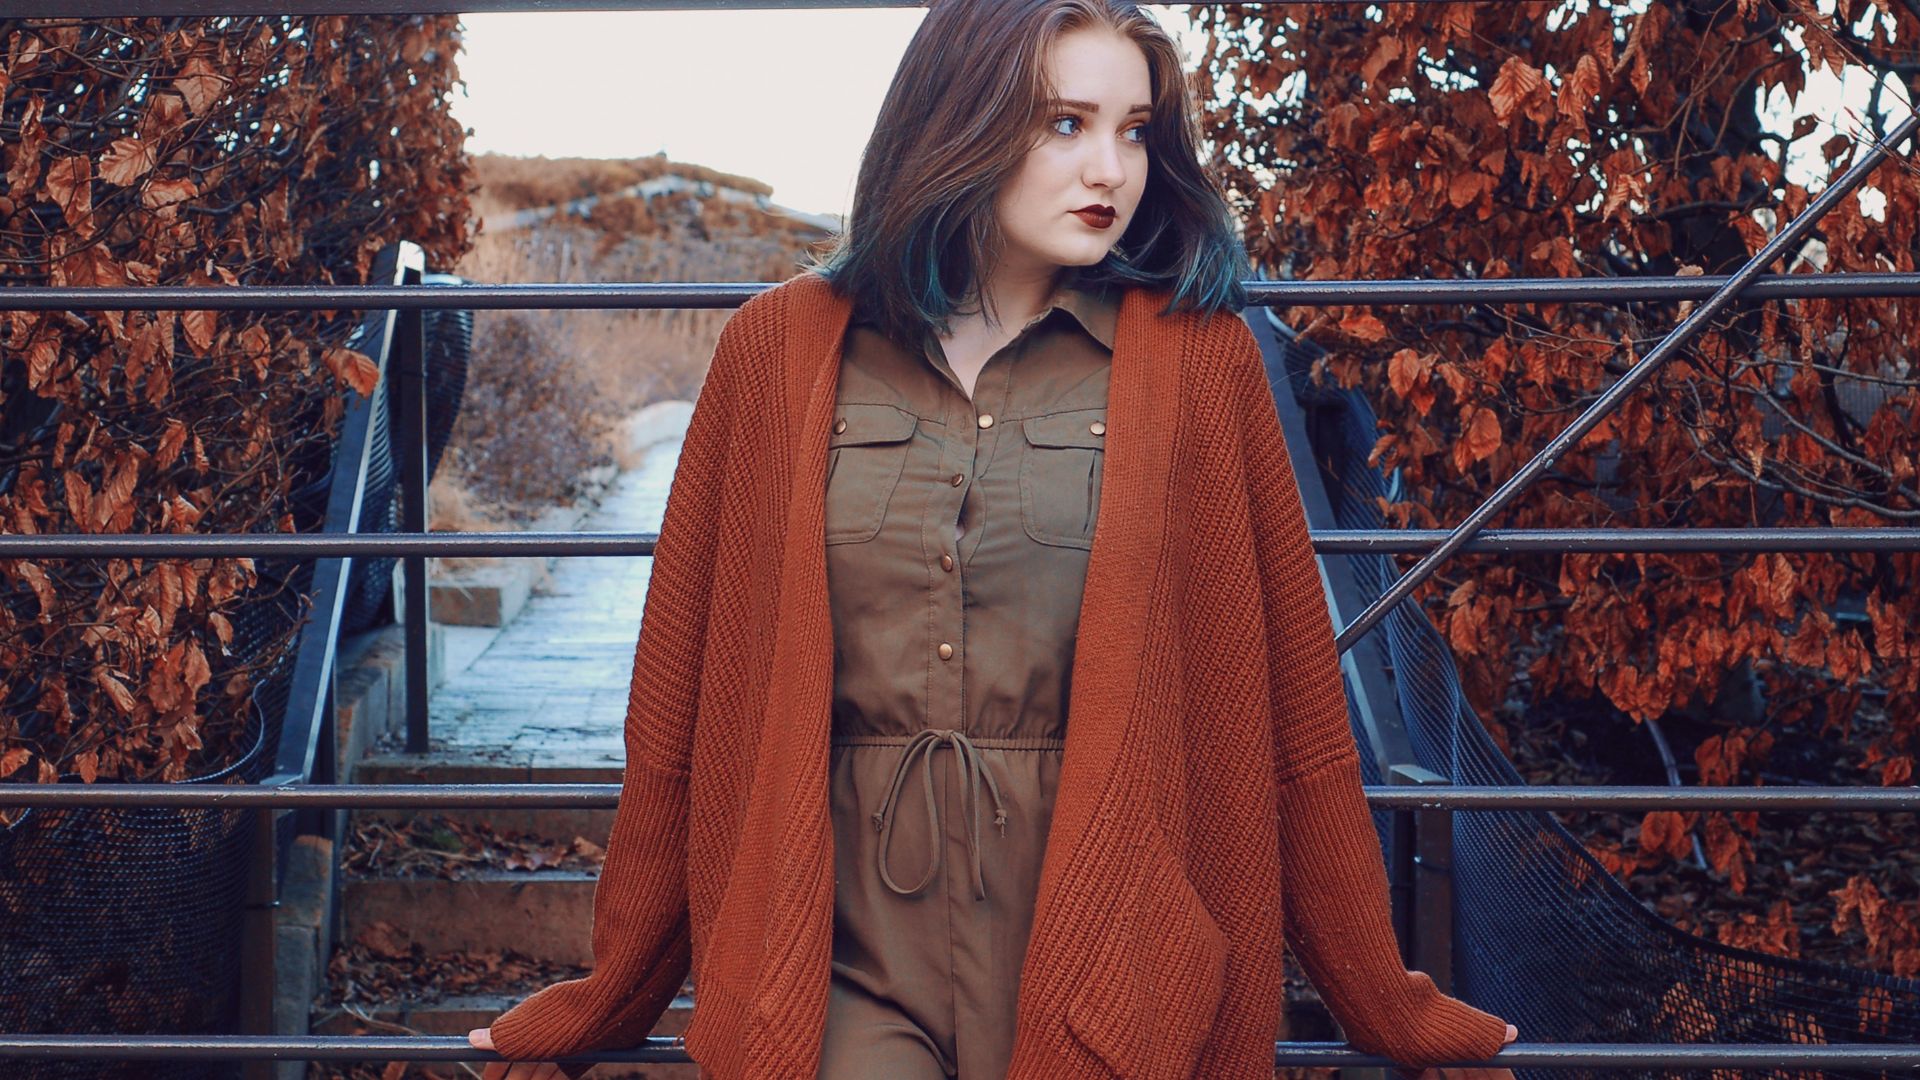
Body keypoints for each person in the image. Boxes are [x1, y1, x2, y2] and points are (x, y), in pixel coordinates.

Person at [470, 1, 1521, 1078]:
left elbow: (1297, 718)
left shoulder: (1201, 367)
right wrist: (612, 996)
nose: (1110, 168)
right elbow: (683, 709)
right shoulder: (775, 352)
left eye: (1135, 130)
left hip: (1112, 937)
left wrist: (1382, 1004)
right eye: (1064, 123)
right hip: (839, 945)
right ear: (955, 121)